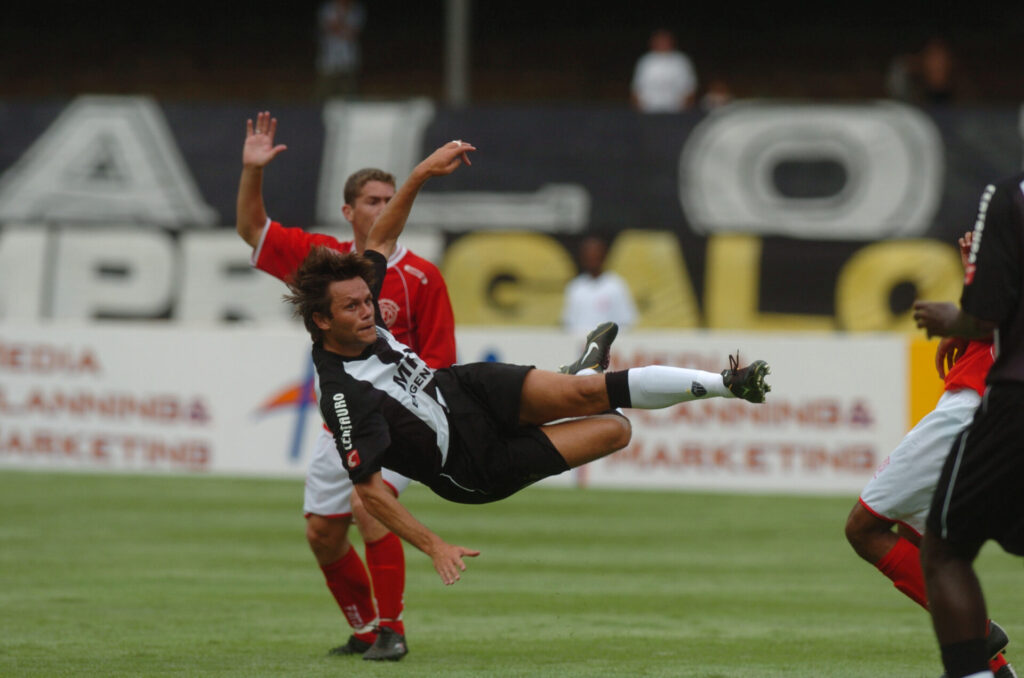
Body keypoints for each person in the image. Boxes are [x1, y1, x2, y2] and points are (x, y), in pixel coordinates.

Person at [284, 139, 773, 586]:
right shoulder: (343, 394)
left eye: (366, 300)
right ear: (323, 321)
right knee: (615, 430)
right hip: (473, 465)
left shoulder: (353, 296)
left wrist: (422, 174)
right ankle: (584, 371)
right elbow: (369, 493)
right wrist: (435, 547)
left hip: (466, 389)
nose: (368, 309)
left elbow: (382, 240)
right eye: (353, 307)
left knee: (587, 396)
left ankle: (727, 382)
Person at [236, 111, 458, 660]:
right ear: (349, 211)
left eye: (389, 200)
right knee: (321, 533)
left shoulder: (422, 276)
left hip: (402, 421)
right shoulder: (324, 264)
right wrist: (253, 172)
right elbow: (251, 230)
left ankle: (392, 630)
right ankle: (362, 630)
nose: (382, 209)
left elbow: (440, 360)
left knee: (369, 506)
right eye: (372, 201)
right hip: (343, 418)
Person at [845, 231, 1014, 678]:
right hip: (984, 404)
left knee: (866, 528)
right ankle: (992, 665)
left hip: (973, 409)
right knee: (934, 542)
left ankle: (979, 638)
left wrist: (968, 313)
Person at [913, 172, 1024, 678]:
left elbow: (985, 316)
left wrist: (950, 318)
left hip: (1013, 398)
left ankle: (979, 670)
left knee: (945, 546)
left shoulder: (1010, 194)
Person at [561, 234, 638, 337]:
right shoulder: (575, 287)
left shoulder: (616, 285)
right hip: (580, 347)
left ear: (604, 255)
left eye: (595, 253)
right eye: (588, 254)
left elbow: (626, 322)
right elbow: (568, 323)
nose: (592, 258)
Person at [630, 28, 697, 112]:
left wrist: (684, 111)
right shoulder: (645, 61)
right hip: (649, 111)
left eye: (665, 41)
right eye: (659, 41)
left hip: (675, 111)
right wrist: (639, 111)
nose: (662, 44)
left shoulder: (681, 61)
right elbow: (636, 89)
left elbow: (690, 88)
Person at [315, 0, 366, 99]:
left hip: (348, 58)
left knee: (349, 92)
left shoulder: (356, 10)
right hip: (329, 58)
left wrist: (340, 26)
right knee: (323, 92)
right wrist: (342, 25)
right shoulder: (328, 8)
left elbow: (353, 33)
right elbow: (328, 27)